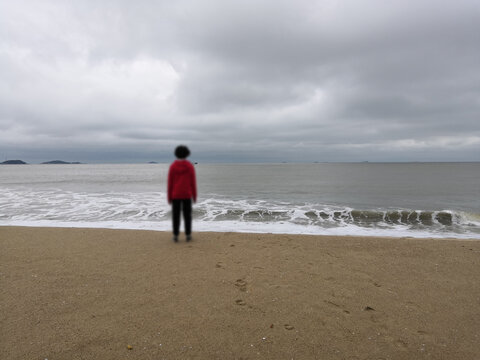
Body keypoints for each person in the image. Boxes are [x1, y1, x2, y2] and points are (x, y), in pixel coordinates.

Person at [167, 145, 197, 242]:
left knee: (176, 216)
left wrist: (169, 197)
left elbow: (170, 183)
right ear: (187, 154)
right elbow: (193, 182)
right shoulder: (189, 166)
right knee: (187, 216)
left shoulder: (173, 166)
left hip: (175, 195)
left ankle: (175, 235)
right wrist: (194, 195)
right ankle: (188, 235)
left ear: (176, 154)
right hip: (187, 194)